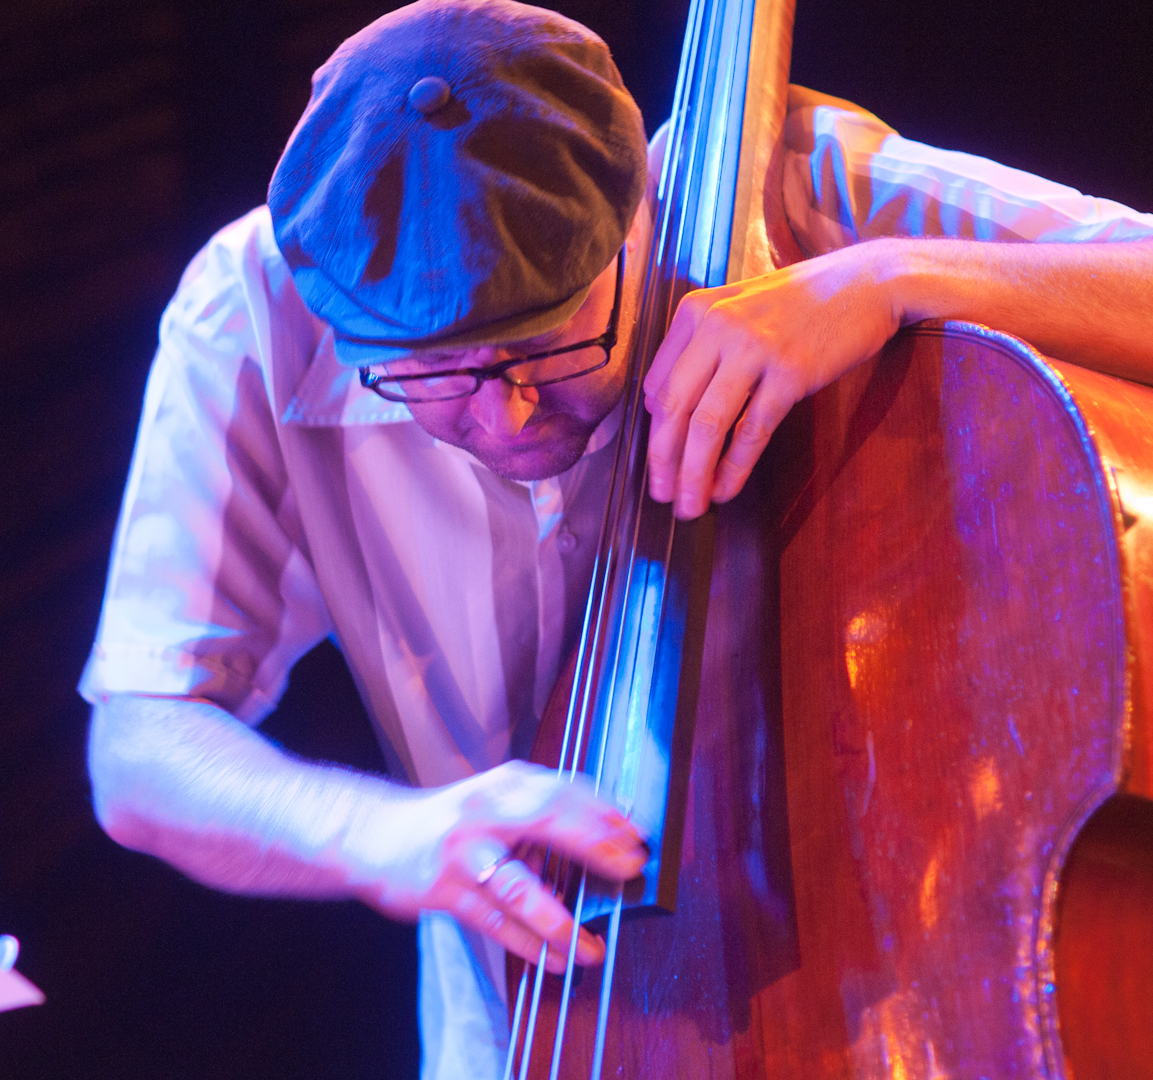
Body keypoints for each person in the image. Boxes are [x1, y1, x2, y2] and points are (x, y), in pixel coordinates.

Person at [80, 1, 1153, 1077]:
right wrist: (383, 836)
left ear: (635, 214)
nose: (505, 420)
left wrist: (890, 278)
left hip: (911, 992)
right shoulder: (259, 305)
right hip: (537, 1032)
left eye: (552, 346)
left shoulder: (787, 192)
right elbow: (141, 746)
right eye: (432, 380)